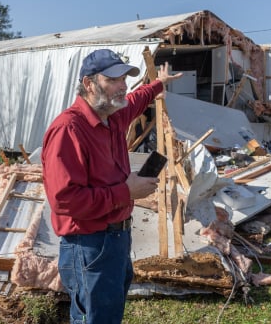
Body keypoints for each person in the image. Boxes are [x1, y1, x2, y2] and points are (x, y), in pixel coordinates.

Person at [41, 49, 182, 324]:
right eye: (113, 80)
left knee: (108, 314)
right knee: (93, 318)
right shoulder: (69, 130)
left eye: (124, 79)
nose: (123, 86)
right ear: (89, 84)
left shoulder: (113, 115)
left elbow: (137, 99)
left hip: (115, 239)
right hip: (89, 245)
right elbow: (64, 200)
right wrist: (126, 192)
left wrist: (159, 84)